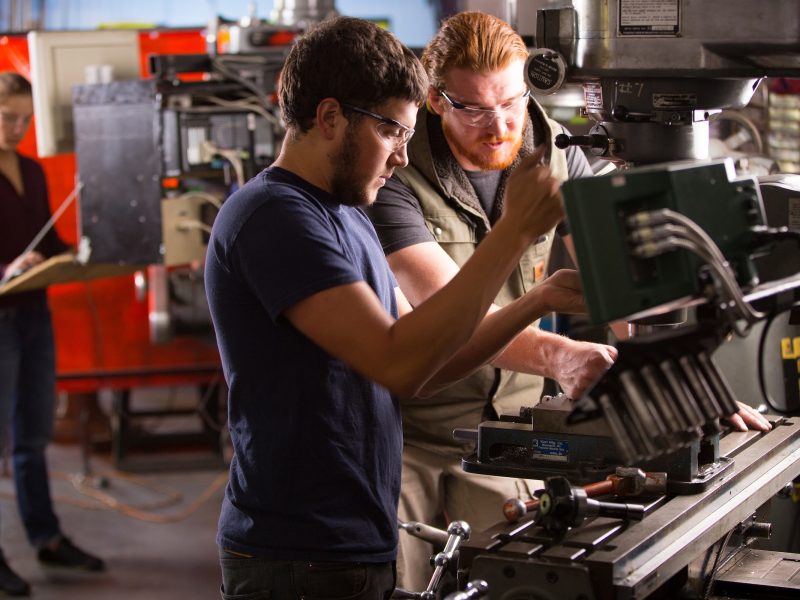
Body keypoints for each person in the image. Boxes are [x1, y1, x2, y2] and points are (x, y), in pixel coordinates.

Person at [365, 11, 772, 591]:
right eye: (474, 108)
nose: (499, 125)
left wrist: (673, 376)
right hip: (412, 437)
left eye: (510, 99)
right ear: (436, 100)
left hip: (513, 431)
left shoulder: (558, 152)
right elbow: (445, 318)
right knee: (405, 584)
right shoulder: (399, 176)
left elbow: (617, 284)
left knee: (515, 577)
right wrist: (559, 355)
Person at [205, 16, 586, 600]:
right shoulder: (275, 217)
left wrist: (536, 300)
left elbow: (429, 355)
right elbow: (398, 364)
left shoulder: (346, 212)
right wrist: (512, 235)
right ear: (330, 118)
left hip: (356, 534)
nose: (404, 159)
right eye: (393, 134)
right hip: (298, 553)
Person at [0, 72, 104, 597]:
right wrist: (7, 269)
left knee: (34, 435)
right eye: (8, 118)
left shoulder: (34, 172)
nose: (18, 128)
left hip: (33, 314)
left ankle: (45, 538)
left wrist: (81, 250)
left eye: (25, 119)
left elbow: (51, 238)